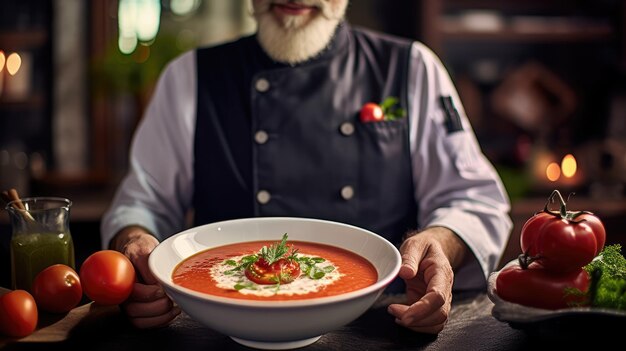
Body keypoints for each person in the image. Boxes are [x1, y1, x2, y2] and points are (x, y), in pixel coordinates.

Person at [101, 0, 512, 334]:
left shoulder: (412, 68)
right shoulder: (188, 77)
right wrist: (134, 247)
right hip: (220, 332)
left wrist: (439, 242)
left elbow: (473, 199)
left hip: (378, 327)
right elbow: (143, 203)